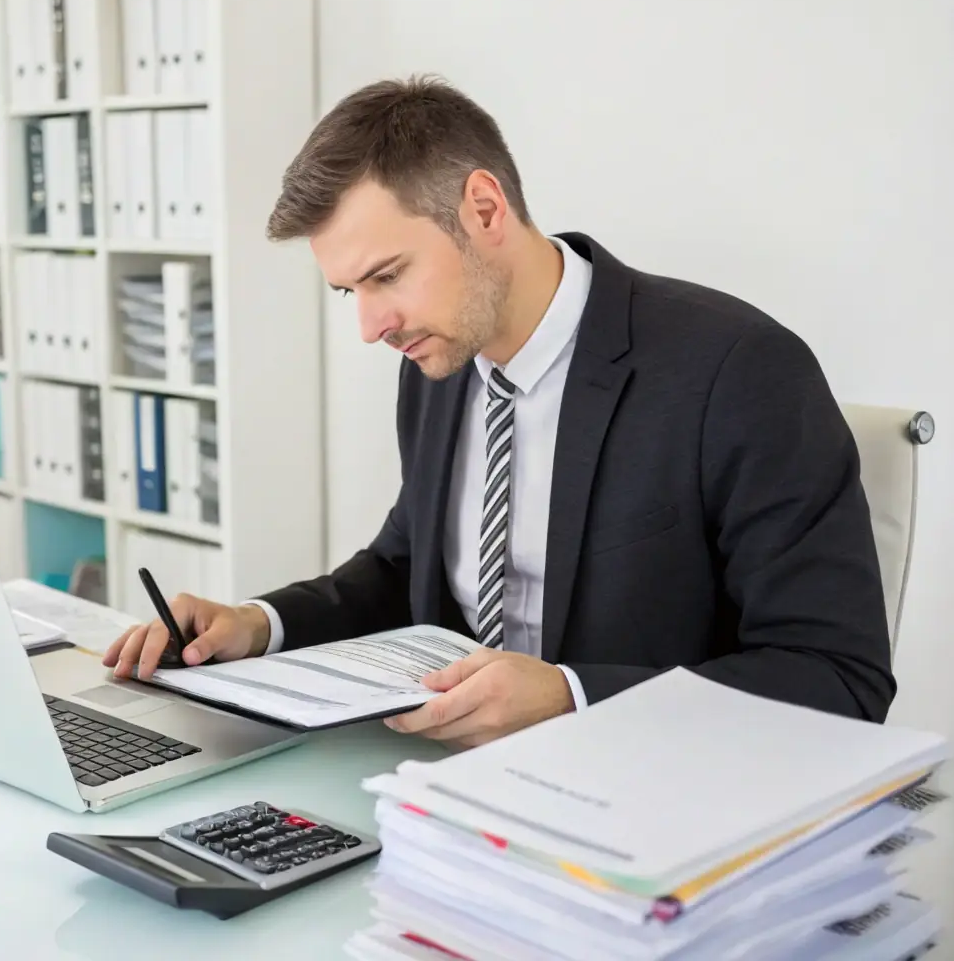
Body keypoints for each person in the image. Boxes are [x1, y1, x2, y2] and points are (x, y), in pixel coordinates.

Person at [102, 75, 895, 748]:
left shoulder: (736, 371)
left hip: (645, 808)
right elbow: (405, 566)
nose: (370, 327)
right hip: (452, 791)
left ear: (483, 209)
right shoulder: (441, 358)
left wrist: (568, 695)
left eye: (386, 276)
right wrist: (256, 624)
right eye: (350, 292)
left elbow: (835, 677)